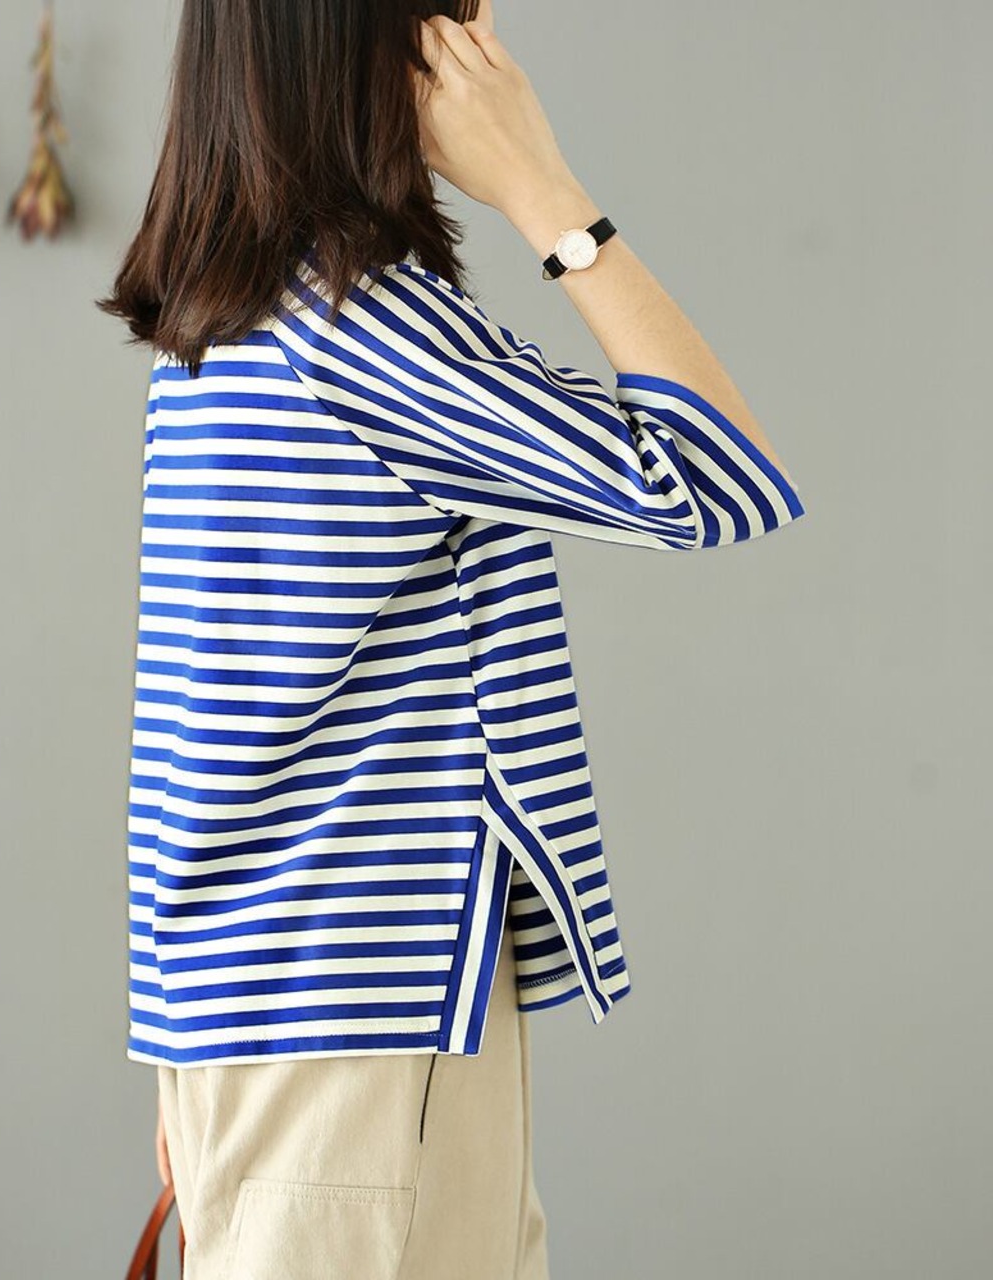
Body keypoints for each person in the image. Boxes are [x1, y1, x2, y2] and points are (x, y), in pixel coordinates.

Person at [97, 2, 805, 1275]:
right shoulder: (362, 328)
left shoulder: (224, 316)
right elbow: (717, 473)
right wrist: (548, 195)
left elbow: (193, 722)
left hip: (271, 1021)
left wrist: (181, 1043)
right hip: (363, 1037)